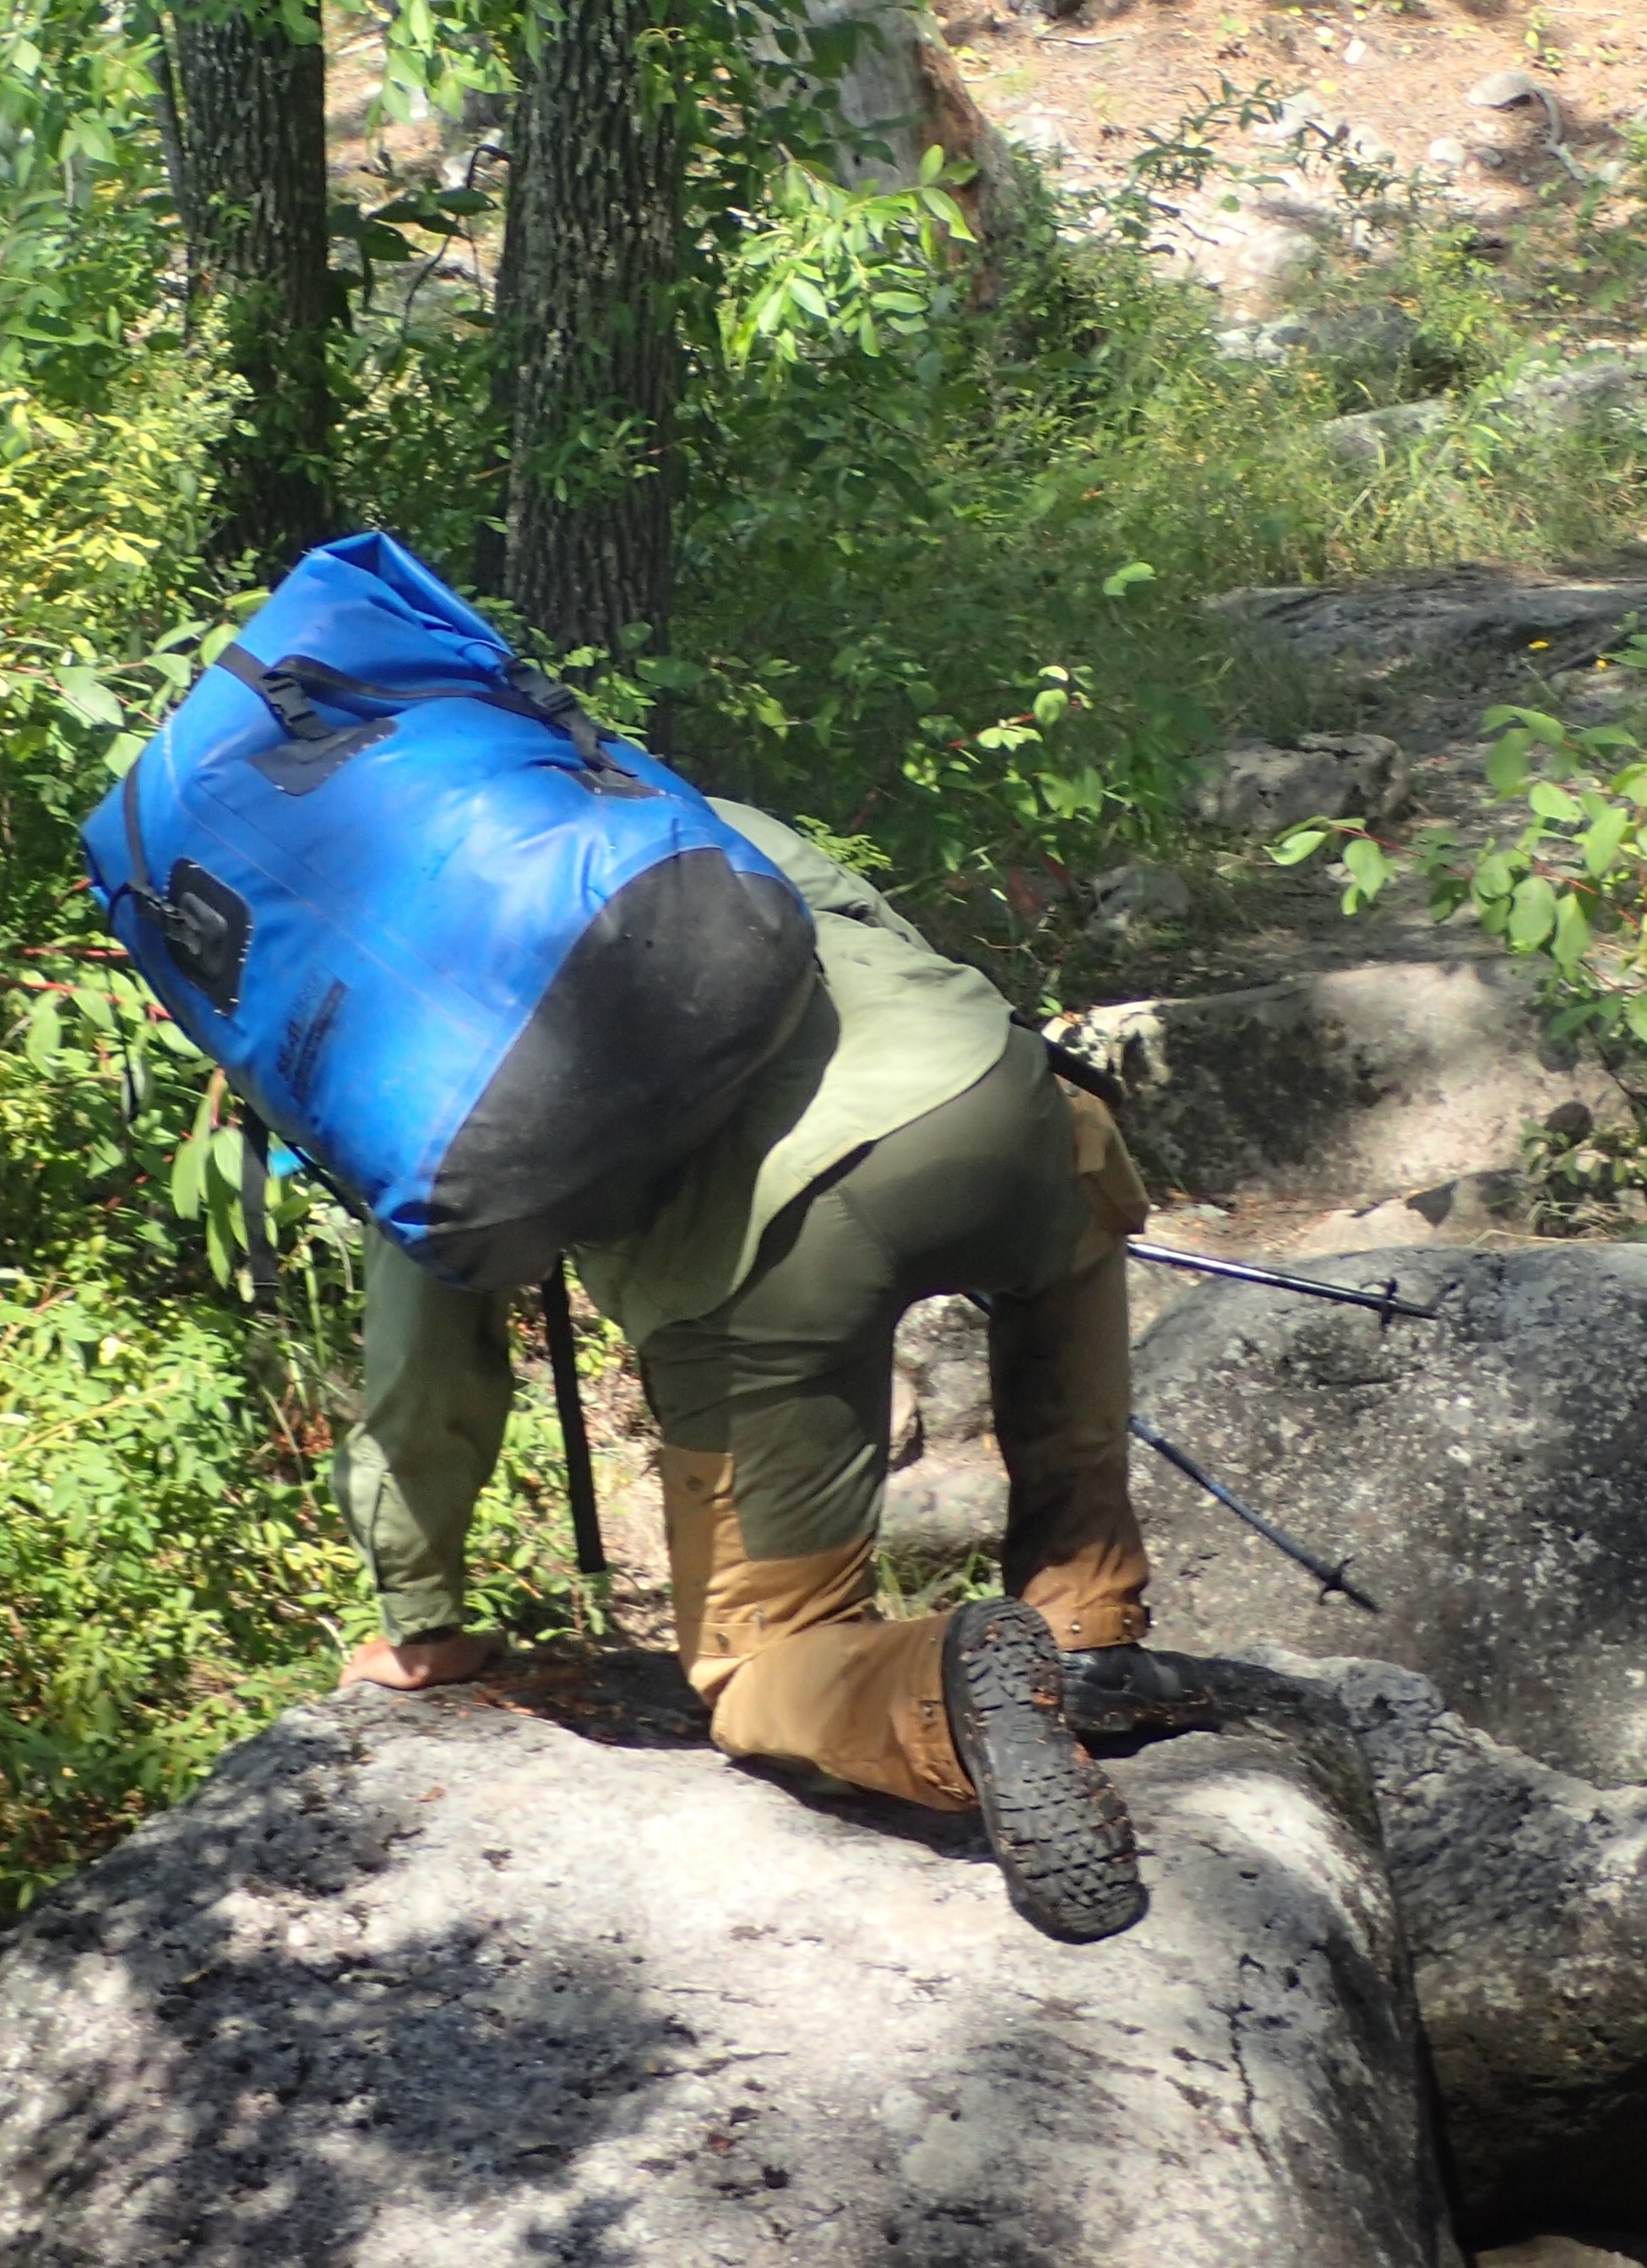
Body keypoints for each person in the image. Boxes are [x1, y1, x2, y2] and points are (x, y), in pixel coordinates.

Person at [330, 800, 1210, 1942]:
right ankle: (1086, 1629)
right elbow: (877, 933)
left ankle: (948, 1683)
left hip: (760, 1261)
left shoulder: (388, 1003)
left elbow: (428, 1346)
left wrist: (420, 1610)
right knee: (1063, 1181)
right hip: (1000, 1105)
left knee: (760, 1667)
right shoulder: (634, 791)